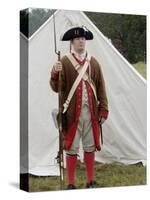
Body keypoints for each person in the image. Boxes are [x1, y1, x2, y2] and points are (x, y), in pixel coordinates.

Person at [49, 26, 109, 189]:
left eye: (83, 38)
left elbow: (101, 87)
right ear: (72, 42)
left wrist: (103, 109)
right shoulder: (65, 62)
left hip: (91, 113)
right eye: (78, 39)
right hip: (71, 114)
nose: (81, 41)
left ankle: (90, 181)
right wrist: (55, 73)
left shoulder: (93, 62)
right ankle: (70, 183)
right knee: (71, 147)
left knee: (90, 146)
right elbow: (57, 88)